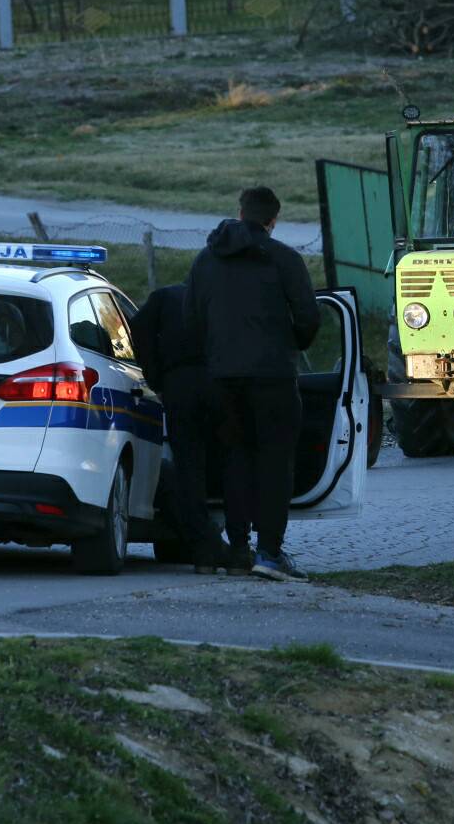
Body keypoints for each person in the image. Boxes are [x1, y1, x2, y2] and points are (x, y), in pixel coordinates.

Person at [187, 186, 321, 583]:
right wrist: (290, 344)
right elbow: (309, 318)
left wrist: (213, 357)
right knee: (275, 463)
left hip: (222, 378)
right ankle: (270, 552)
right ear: (273, 220)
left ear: (239, 211)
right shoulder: (285, 259)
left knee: (235, 459)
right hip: (274, 378)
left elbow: (191, 320)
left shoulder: (205, 260)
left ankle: (238, 547)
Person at [129, 284, 235, 575]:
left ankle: (203, 550)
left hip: (180, 384)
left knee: (189, 468)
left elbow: (137, 327)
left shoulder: (166, 297)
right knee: (234, 464)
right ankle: (238, 547)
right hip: (225, 385)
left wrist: (155, 375)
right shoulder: (229, 296)